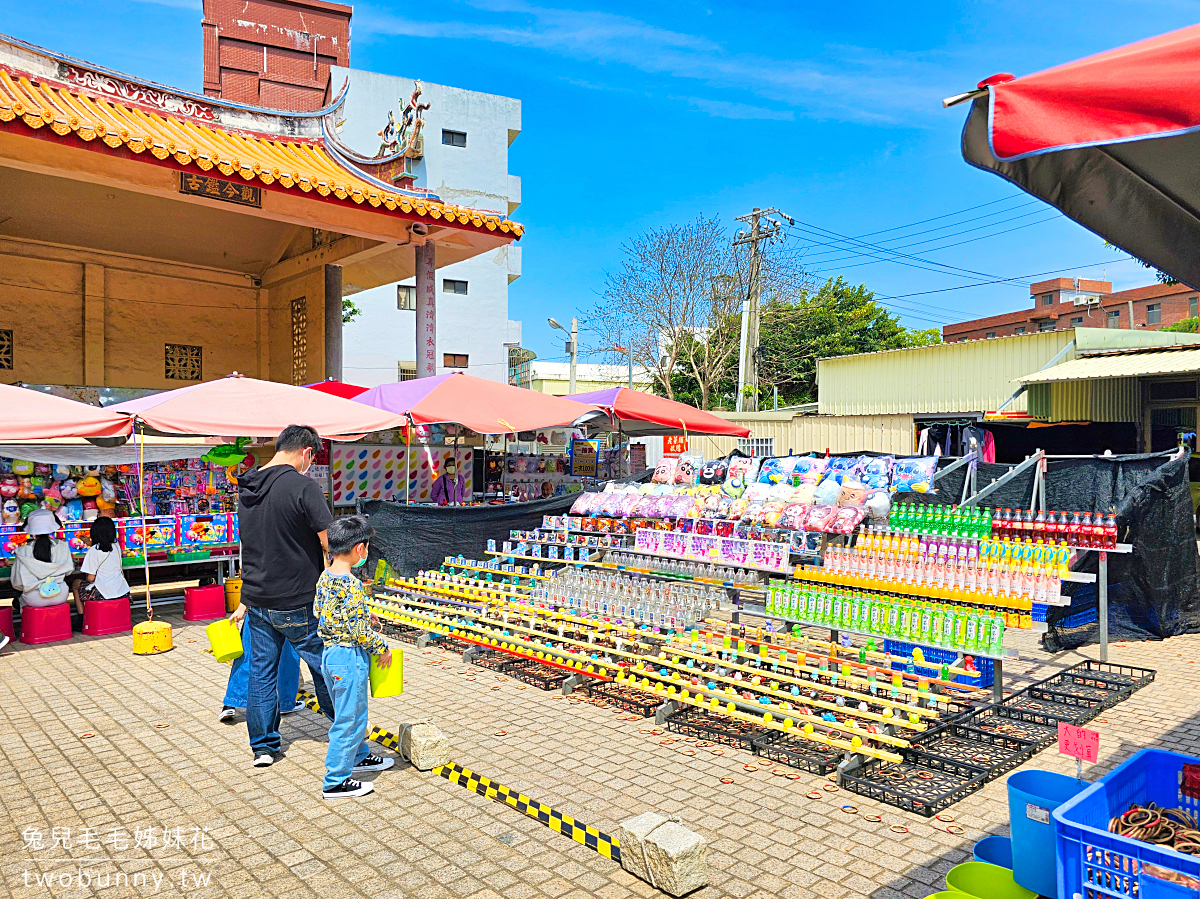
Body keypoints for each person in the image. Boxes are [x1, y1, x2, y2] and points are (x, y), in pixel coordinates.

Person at [230, 424, 335, 768]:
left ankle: (263, 747)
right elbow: (330, 542)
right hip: (299, 598)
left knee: (261, 672)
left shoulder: (248, 489)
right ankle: (348, 734)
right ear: (306, 452)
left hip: (258, 598)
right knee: (325, 666)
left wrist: (245, 599)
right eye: (312, 457)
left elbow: (253, 545)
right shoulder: (303, 486)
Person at [315, 515, 393, 799]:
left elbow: (320, 611)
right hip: (348, 657)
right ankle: (335, 780)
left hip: (330, 654)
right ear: (359, 549)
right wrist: (381, 646)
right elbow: (359, 632)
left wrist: (362, 614)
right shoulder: (352, 585)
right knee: (349, 719)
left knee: (353, 713)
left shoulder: (326, 576)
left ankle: (358, 756)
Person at [12, 509, 75, 611]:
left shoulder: (22, 551)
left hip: (33, 599)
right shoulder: (62, 546)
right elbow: (69, 571)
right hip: (60, 594)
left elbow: (17, 583)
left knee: (20, 602)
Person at [71, 517, 131, 613]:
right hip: (121, 590)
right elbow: (105, 549)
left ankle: (82, 617)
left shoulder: (93, 551)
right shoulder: (116, 546)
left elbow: (91, 578)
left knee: (76, 584)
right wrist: (89, 543)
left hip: (102, 593)